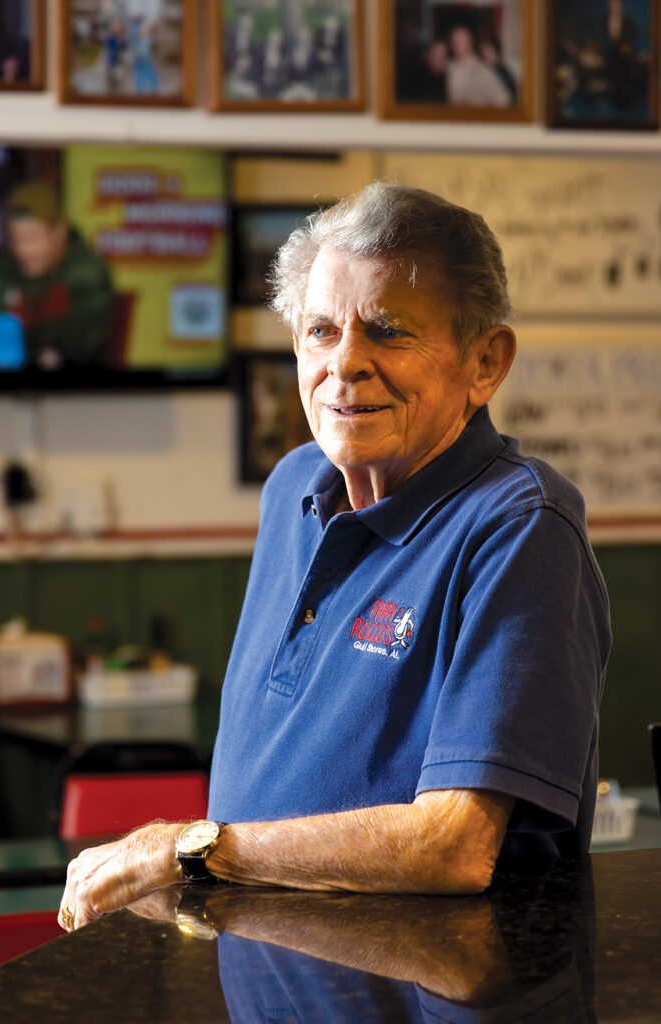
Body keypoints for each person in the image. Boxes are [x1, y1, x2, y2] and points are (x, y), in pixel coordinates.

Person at [58, 184, 610, 931]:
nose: (345, 363)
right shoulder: (292, 487)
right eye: (321, 331)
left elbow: (454, 846)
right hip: (270, 979)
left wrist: (193, 849)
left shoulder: (520, 525)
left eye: (387, 331)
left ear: (486, 362)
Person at [0, 181, 115, 368]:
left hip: (70, 391)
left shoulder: (87, 274)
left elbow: (80, 348)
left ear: (60, 231)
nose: (23, 251)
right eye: (16, 240)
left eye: (33, 238)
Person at [446, 24, 511, 106]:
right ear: (451, 44)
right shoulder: (448, 66)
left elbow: (503, 100)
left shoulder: (482, 69)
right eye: (455, 41)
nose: (458, 45)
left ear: (470, 43)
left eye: (462, 41)